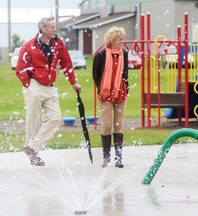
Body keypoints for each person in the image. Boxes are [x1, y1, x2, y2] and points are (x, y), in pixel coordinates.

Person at [16, 16, 82, 166]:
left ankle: (32, 147)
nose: (55, 29)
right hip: (34, 85)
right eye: (52, 27)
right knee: (33, 120)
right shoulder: (29, 46)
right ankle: (33, 155)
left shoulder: (58, 44)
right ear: (43, 29)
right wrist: (29, 84)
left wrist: (73, 82)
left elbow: (66, 63)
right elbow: (20, 68)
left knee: (55, 118)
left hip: (50, 87)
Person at [92, 26, 129, 168]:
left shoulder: (124, 53)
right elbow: (95, 75)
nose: (122, 42)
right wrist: (103, 88)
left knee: (119, 124)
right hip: (106, 93)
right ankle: (106, 158)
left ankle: (118, 158)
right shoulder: (101, 55)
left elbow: (125, 73)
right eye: (120, 39)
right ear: (112, 39)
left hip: (121, 92)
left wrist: (126, 87)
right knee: (107, 125)